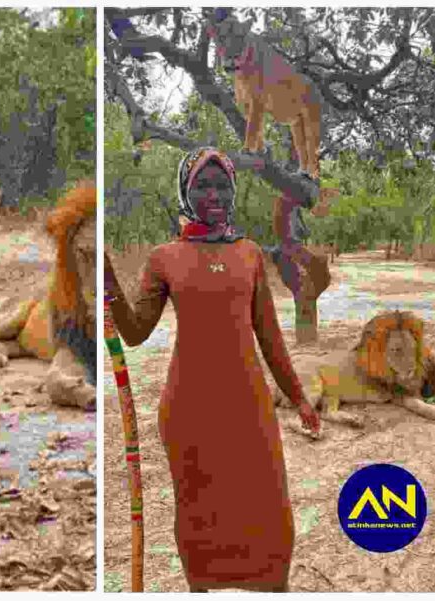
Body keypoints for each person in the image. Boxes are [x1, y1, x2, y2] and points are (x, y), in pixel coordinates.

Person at [104, 147, 320, 592]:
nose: (214, 194)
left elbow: (270, 337)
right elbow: (135, 332)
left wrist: (298, 397)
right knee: (198, 510)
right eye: (202, 185)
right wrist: (108, 286)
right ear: (186, 190)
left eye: (221, 185)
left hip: (249, 408)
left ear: (234, 191)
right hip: (189, 411)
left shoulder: (250, 254)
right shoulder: (165, 258)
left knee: (271, 513)